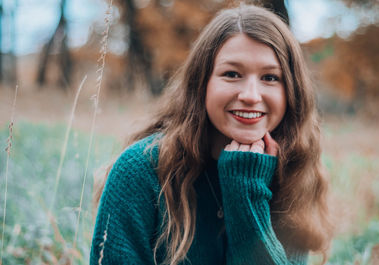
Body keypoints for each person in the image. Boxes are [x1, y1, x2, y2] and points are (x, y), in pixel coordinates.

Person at [90, 3, 335, 265]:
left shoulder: (293, 173)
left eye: (270, 78)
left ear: (292, 92)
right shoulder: (141, 171)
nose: (251, 95)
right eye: (232, 74)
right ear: (202, 83)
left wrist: (246, 196)